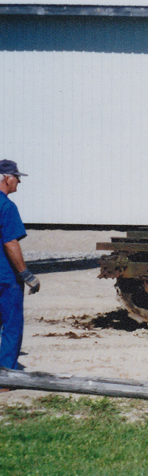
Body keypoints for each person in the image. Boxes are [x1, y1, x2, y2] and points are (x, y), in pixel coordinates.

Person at [0, 160, 40, 377]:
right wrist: (26, 274)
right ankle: (5, 378)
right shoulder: (6, 206)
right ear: (6, 178)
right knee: (11, 325)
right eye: (17, 177)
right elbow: (10, 242)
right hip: (5, 278)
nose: (19, 182)